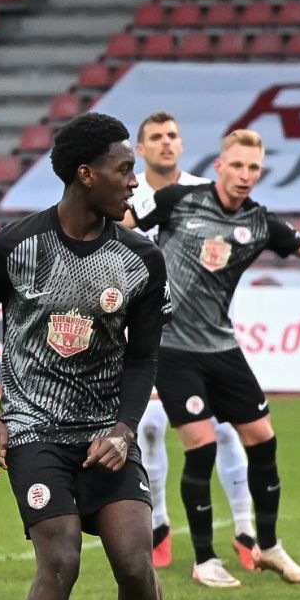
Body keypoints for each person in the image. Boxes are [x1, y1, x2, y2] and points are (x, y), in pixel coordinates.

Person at [0, 111, 189, 600]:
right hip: (35, 430)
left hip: (105, 434)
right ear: (86, 175)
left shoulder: (140, 258)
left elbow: (144, 356)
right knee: (59, 559)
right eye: (124, 169)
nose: (134, 182)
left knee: (135, 564)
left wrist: (124, 428)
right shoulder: (12, 246)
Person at [137, 127, 300, 588]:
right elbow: (121, 225)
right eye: (237, 165)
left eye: (253, 168)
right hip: (173, 347)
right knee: (201, 445)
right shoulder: (179, 200)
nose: (245, 175)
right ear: (219, 166)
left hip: (221, 345)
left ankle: (268, 545)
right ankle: (205, 559)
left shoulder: (259, 222)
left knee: (262, 438)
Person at [123, 110, 254, 569]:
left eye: (173, 135)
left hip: (204, 332)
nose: (166, 142)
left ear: (182, 144)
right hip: (143, 332)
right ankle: (158, 525)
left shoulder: (206, 192)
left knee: (226, 429)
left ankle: (246, 529)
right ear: (141, 149)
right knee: (148, 428)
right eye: (156, 136)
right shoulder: (126, 196)